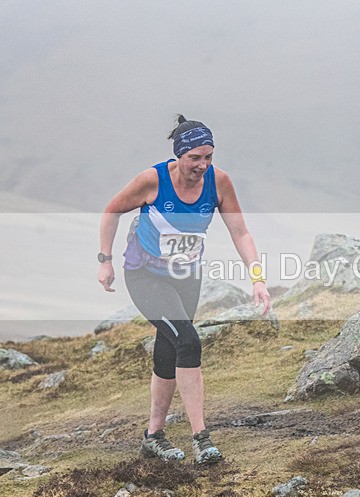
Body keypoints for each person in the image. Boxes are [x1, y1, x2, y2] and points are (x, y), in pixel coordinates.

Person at [97, 115, 270, 463]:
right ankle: (201, 438)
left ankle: (153, 436)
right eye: (195, 158)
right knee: (189, 341)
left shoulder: (219, 182)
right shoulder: (153, 180)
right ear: (179, 155)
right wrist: (105, 260)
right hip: (145, 275)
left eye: (208, 156)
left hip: (187, 276)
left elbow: (241, 232)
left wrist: (257, 279)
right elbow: (112, 210)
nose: (203, 165)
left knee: (170, 348)